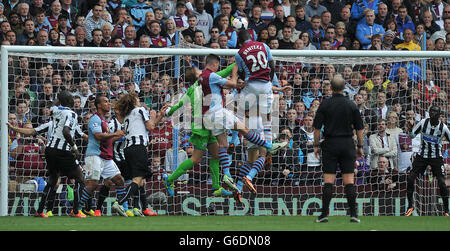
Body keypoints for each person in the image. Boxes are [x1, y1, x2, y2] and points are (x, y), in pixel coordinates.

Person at [163, 63, 238, 197]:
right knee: (196, 159)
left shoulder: (196, 87)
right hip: (200, 126)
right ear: (196, 74)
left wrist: (170, 111)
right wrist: (238, 60)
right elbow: (226, 71)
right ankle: (169, 179)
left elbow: (180, 103)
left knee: (216, 155)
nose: (202, 70)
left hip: (211, 124)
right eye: (198, 70)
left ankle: (216, 187)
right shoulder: (202, 83)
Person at [312, 74, 364, 223]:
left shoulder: (325, 104)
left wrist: (316, 145)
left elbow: (316, 129)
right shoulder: (351, 104)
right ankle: (354, 214)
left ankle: (324, 215)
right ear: (343, 87)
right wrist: (360, 146)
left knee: (329, 180)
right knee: (349, 180)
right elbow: (359, 129)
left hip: (330, 143)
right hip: (347, 143)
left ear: (331, 88)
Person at [112, 92, 169, 217]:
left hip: (128, 149)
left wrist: (160, 115)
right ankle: (119, 202)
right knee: (137, 180)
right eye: (137, 99)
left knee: (140, 180)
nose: (139, 100)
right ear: (134, 101)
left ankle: (140, 208)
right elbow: (151, 127)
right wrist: (157, 115)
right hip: (138, 147)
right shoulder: (140, 110)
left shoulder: (127, 116)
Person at [75, 94, 131, 216]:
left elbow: (108, 139)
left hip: (106, 157)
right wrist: (115, 134)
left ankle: (119, 204)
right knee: (93, 184)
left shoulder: (103, 121)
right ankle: (76, 209)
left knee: (119, 180)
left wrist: (119, 136)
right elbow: (98, 136)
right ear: (99, 105)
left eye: (109, 101)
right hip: (94, 155)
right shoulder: (95, 119)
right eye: (105, 102)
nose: (109, 103)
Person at [404, 105, 450, 216]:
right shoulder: (423, 123)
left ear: (439, 115)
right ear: (429, 113)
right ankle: (410, 206)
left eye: (435, 112)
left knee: (442, 183)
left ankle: (446, 211)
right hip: (422, 156)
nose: (433, 114)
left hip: (436, 157)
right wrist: (410, 128)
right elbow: (411, 136)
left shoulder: (443, 128)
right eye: (431, 112)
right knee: (410, 178)